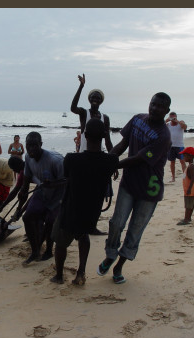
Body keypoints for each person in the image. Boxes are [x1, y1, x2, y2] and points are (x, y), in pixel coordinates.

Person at [97, 92, 172, 284]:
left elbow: (138, 159)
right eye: (153, 104)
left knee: (135, 230)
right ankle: (110, 254)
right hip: (129, 183)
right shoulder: (137, 119)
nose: (155, 108)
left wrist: (113, 166)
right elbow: (122, 144)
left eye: (160, 107)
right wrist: (107, 161)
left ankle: (120, 265)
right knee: (116, 223)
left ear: (167, 111)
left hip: (149, 191)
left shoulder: (163, 136)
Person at [50, 118, 119, 285]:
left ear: (85, 135)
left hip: (71, 209)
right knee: (83, 236)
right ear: (103, 135)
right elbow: (114, 152)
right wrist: (107, 135)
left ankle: (59, 275)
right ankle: (81, 271)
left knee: (60, 243)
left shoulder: (72, 159)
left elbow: (67, 176)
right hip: (91, 212)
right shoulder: (110, 161)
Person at [70, 73, 115, 235]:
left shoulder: (105, 118)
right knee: (80, 193)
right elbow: (72, 108)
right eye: (93, 97)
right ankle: (78, 224)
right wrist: (81, 86)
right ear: (89, 99)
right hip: (82, 158)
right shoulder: (84, 113)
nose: (95, 99)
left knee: (97, 196)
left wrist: (113, 161)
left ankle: (92, 226)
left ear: (101, 101)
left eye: (98, 97)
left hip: (98, 158)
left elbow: (108, 141)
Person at [17, 131, 65, 265]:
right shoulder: (27, 157)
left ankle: (49, 250)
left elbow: (68, 180)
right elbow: (26, 179)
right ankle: (35, 251)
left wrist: (53, 184)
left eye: (34, 145)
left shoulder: (55, 160)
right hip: (42, 191)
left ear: (41, 144)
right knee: (27, 217)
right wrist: (22, 191)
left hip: (58, 195)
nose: (31, 149)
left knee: (50, 221)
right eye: (28, 145)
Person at [177, 147, 194, 226]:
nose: (183, 157)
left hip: (190, 190)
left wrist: (189, 189)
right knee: (190, 204)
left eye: (185, 156)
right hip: (190, 190)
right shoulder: (190, 166)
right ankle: (188, 218)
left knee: (188, 205)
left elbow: (192, 179)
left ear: (190, 156)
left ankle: (187, 218)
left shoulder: (191, 166)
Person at [165, 112, 187, 182]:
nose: (173, 119)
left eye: (174, 117)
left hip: (180, 146)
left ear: (176, 117)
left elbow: (185, 127)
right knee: (172, 162)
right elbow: (159, 127)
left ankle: (185, 177)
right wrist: (166, 120)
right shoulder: (168, 125)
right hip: (171, 146)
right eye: (171, 117)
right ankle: (173, 178)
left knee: (182, 161)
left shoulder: (180, 123)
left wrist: (176, 121)